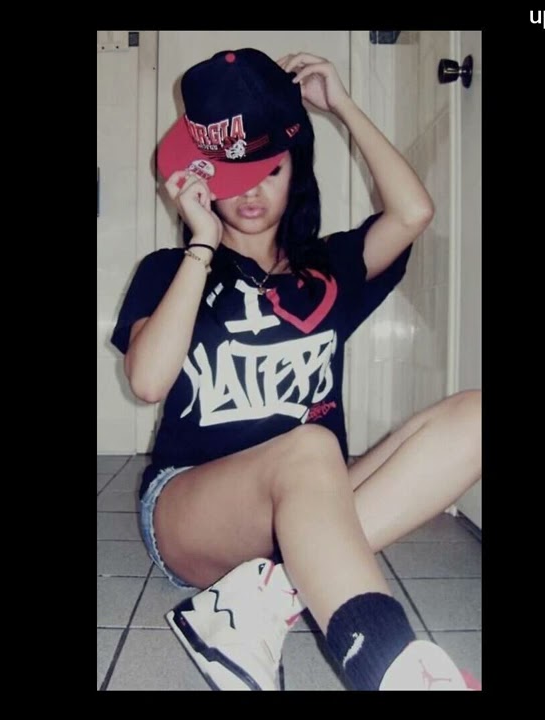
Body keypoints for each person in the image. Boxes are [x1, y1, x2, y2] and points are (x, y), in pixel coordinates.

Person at [111, 48, 482, 691]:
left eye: (270, 170)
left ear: (295, 167)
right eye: (232, 176)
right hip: (191, 506)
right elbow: (147, 382)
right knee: (310, 447)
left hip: (310, 499)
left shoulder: (329, 269)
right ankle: (394, 669)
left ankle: (264, 596)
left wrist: (343, 106)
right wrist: (201, 244)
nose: (251, 192)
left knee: (475, 416)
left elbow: (413, 212)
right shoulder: (169, 271)